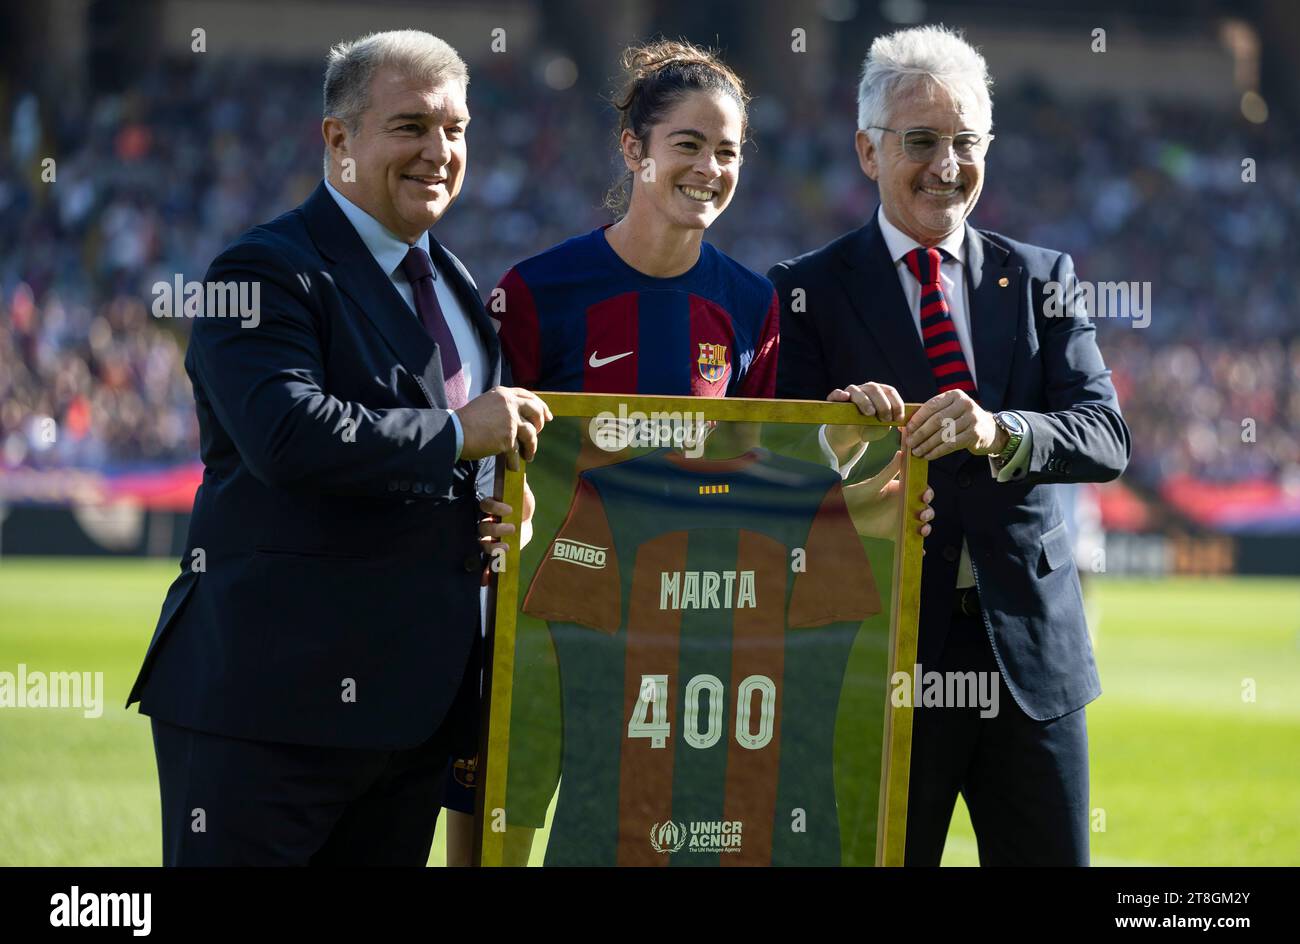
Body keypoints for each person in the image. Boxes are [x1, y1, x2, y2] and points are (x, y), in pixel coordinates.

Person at [436, 39, 934, 865]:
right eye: (689, 145)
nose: (710, 168)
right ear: (635, 149)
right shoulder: (535, 292)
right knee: (502, 812)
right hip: (542, 621)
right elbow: (489, 454)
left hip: (682, 632)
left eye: (729, 151)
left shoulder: (750, 303)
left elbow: (759, 478)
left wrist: (849, 451)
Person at [126, 29, 550, 866]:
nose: (440, 151)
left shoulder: (460, 284)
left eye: (456, 130)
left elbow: (444, 462)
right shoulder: (262, 269)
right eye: (411, 126)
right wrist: (463, 433)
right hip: (269, 713)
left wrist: (506, 504)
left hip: (412, 722)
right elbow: (288, 434)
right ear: (338, 139)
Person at [770, 25, 1131, 865]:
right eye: (920, 142)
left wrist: (999, 429)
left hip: (1032, 663)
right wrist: (835, 438)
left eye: (965, 142)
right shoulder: (802, 291)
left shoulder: (1043, 277)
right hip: (882, 657)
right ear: (867, 151)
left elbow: (1106, 435)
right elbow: (778, 470)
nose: (946, 165)